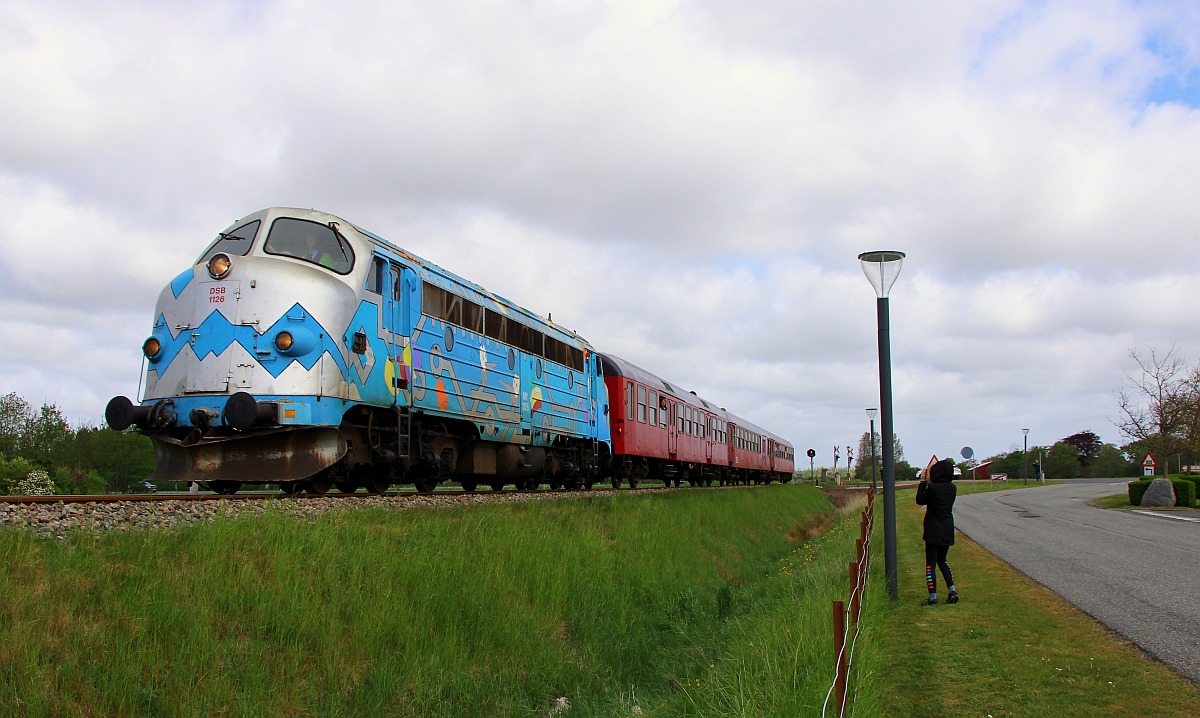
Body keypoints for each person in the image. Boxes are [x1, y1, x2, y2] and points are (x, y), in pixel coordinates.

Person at [916, 457, 959, 605]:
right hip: (947, 528)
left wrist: (922, 482)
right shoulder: (952, 488)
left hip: (933, 529)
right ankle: (952, 590)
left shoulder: (933, 489)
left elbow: (920, 500)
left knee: (930, 564)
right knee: (943, 561)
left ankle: (933, 597)